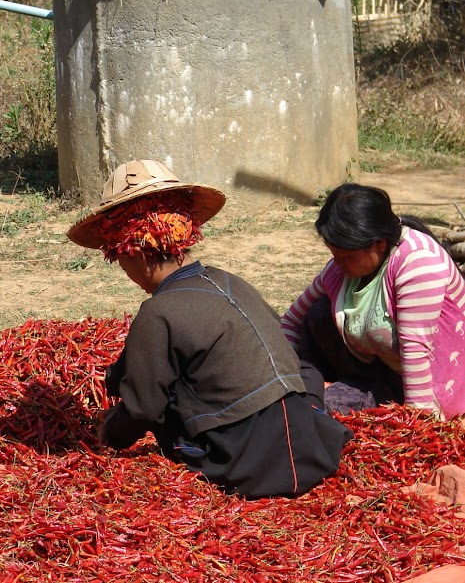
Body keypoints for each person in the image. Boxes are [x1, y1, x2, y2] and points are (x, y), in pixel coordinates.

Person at [67, 160, 352, 499]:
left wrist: (109, 432)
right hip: (311, 443)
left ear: (136, 253)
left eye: (119, 258)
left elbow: (143, 408)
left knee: (165, 397)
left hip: (245, 464)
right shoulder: (231, 282)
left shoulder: (158, 312)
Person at [281, 183, 465, 419]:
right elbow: (292, 320)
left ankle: (334, 390)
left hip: (432, 384)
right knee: (317, 313)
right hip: (379, 366)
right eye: (334, 255)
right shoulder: (342, 268)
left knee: (312, 409)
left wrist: (418, 428)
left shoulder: (419, 264)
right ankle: (326, 384)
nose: (338, 263)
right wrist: (283, 374)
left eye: (347, 256)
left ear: (379, 243)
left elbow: (415, 354)